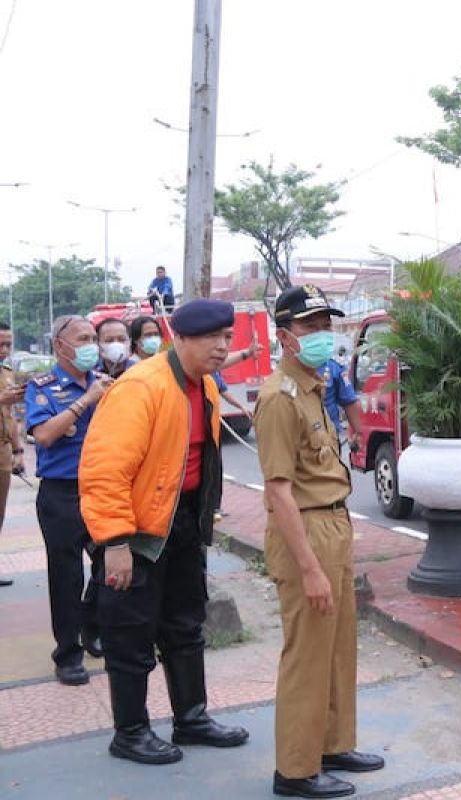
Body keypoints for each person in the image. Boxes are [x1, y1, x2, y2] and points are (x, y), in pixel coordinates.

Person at [79, 299, 249, 766]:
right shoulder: (141, 387)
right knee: (130, 634)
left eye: (227, 338)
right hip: (136, 534)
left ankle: (191, 718)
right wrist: (114, 542)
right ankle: (130, 732)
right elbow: (104, 471)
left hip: (183, 527)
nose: (221, 347)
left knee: (185, 624)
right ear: (181, 338)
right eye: (211, 338)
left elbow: (199, 461)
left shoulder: (206, 387)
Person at [254, 284, 384, 799]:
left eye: (326, 326)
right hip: (304, 530)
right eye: (310, 328)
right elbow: (279, 491)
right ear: (285, 337)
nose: (323, 336)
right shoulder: (278, 399)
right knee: (307, 653)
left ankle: (331, 745)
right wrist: (308, 567)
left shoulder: (314, 384)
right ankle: (295, 770)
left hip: (333, 524)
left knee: (336, 648)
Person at [25, 315, 113, 685]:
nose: (92, 344)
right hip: (61, 494)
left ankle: (91, 626)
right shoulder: (42, 386)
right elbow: (44, 435)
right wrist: (85, 403)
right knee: (66, 575)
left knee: (111, 565)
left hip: (102, 488)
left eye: (94, 337)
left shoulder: (105, 383)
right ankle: (67, 654)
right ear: (60, 345)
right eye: (83, 338)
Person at [0, 322, 25, 587]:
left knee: (0, 513)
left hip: (3, 450)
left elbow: (11, 416)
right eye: (0, 344)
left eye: (8, 344)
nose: (4, 350)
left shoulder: (7, 372)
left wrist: (18, 451)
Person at [318, 358, 362, 454]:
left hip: (329, 438)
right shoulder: (290, 367)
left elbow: (348, 401)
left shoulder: (333, 367)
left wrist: (358, 433)